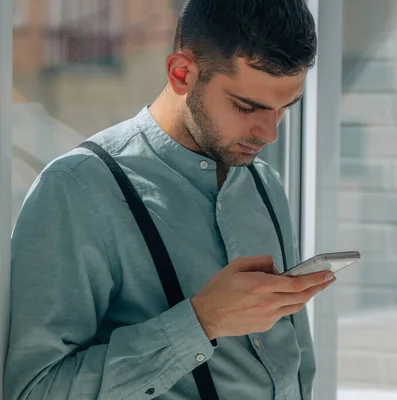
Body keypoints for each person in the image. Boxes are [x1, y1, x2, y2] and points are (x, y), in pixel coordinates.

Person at [4, 1, 333, 399]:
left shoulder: (265, 184)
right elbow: (35, 390)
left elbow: (297, 363)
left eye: (284, 109)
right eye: (247, 107)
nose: (270, 134)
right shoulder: (76, 189)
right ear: (182, 74)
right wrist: (202, 320)